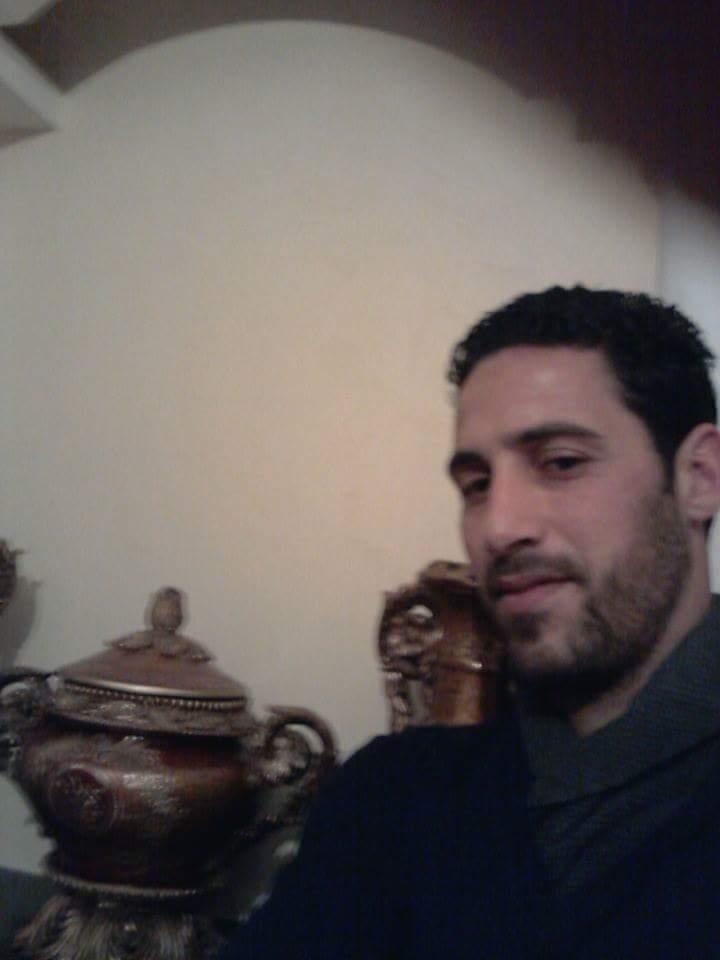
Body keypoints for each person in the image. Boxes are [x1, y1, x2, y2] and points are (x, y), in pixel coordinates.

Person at [219, 286, 720, 959]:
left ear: (699, 477)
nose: (498, 526)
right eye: (477, 484)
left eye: (562, 463)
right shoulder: (391, 798)